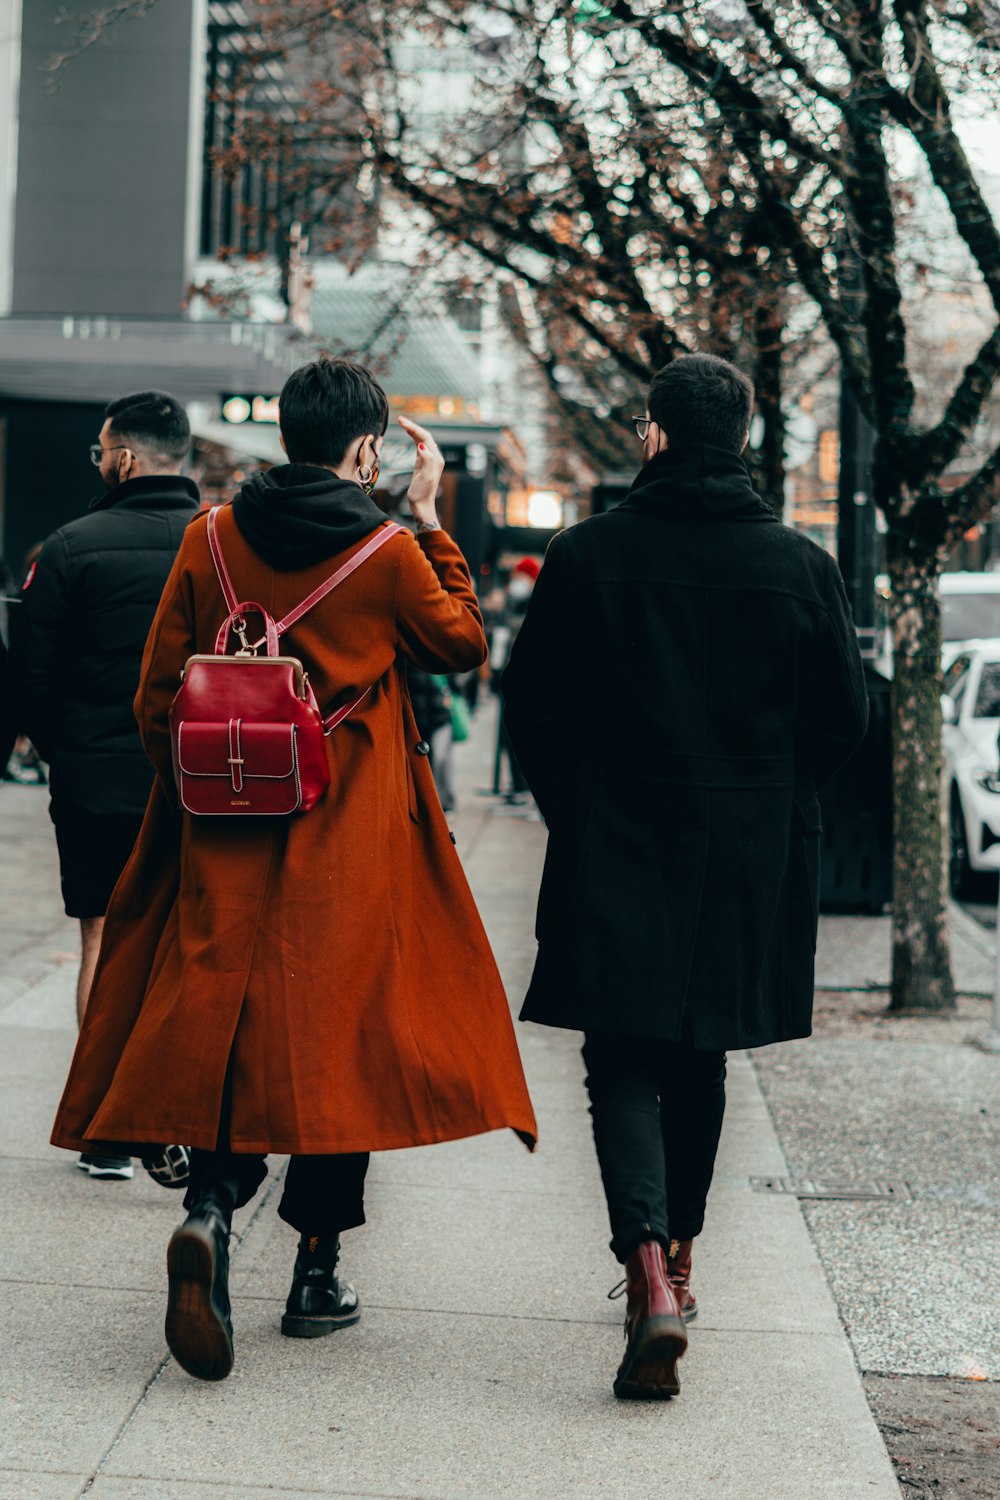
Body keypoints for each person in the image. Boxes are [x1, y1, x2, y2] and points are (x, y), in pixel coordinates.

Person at [51, 357, 537, 1383]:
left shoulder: (209, 536)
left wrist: (203, 793)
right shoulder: (389, 549)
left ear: (283, 436)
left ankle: (213, 1212)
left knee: (227, 1028)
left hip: (223, 828)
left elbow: (155, 698)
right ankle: (315, 1269)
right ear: (366, 448)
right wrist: (429, 511)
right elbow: (461, 644)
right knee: (333, 1044)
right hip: (346, 839)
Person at [502, 352, 868, 1401]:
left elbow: (534, 706)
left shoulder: (587, 556)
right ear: (743, 438)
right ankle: (683, 1262)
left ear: (654, 434)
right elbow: (842, 719)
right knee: (699, 1055)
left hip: (617, 829)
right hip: (741, 850)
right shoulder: (801, 567)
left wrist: (577, 803)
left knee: (618, 1053)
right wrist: (775, 803)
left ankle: (647, 1270)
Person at [11, 391, 200, 1180]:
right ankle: (180, 1115)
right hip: (197, 783)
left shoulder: (69, 545)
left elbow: (30, 676)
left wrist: (58, 749)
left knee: (101, 937)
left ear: (122, 457)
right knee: (188, 946)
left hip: (95, 778)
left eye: (101, 451)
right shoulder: (220, 542)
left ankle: (104, 1131)